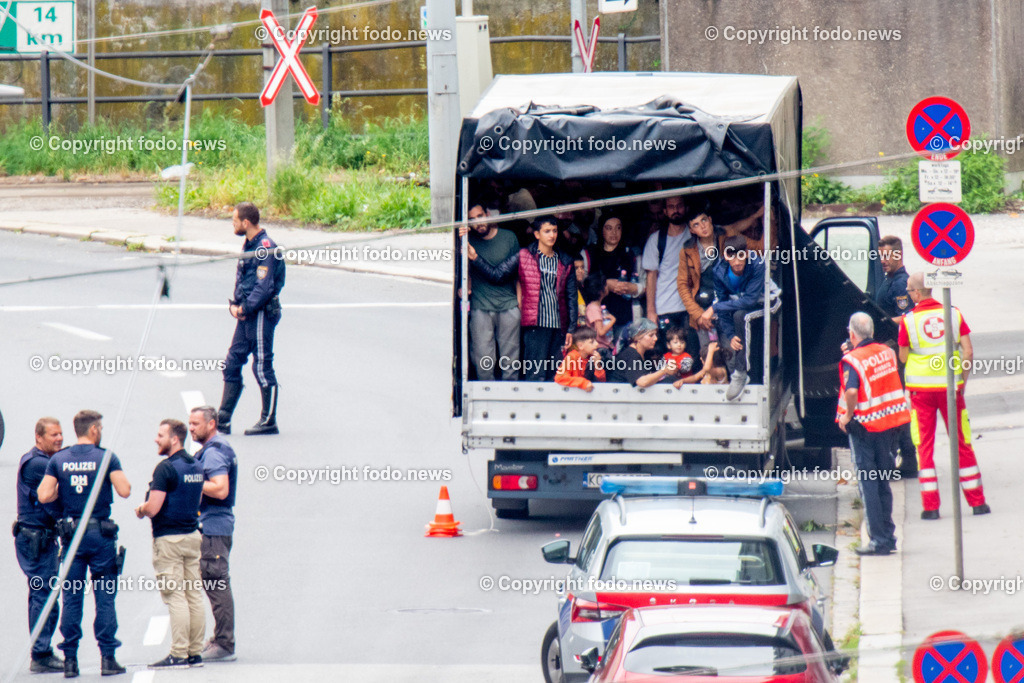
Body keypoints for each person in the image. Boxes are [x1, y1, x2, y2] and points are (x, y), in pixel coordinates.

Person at [36, 410, 131, 678]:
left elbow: (43, 495)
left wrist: (66, 489)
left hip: (72, 537)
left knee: (72, 598)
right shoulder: (106, 457)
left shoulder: (59, 459)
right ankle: (108, 658)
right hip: (100, 536)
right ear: (94, 430)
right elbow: (124, 490)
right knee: (105, 598)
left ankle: (70, 660)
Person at [899, 273, 990, 520]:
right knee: (962, 442)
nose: (908, 294)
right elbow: (968, 352)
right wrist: (962, 382)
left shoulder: (908, 321)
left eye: (909, 290)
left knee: (924, 447)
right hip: (951, 389)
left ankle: (931, 508)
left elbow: (903, 357)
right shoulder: (954, 314)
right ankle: (978, 503)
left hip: (921, 392)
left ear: (917, 293)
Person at [836, 313, 910, 556]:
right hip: (887, 426)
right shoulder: (887, 353)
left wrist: (846, 416)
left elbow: (852, 391)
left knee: (868, 484)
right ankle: (888, 536)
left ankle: (878, 540)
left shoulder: (852, 360)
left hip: (863, 428)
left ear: (851, 333)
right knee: (883, 482)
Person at [135, 419, 206, 669]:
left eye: (161, 435)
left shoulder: (165, 469)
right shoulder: (196, 465)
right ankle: (195, 652)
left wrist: (141, 509)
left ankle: (178, 653)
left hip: (169, 539)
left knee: (176, 596)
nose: (156, 439)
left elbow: (153, 508)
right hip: (192, 536)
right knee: (193, 594)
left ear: (174, 439)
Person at [218, 201, 286, 436]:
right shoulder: (249, 244)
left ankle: (269, 420)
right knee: (232, 362)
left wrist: (244, 308)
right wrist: (235, 304)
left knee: (262, 366)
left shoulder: (265, 247)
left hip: (260, 314)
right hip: (246, 314)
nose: (233, 225)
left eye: (235, 221)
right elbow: (244, 280)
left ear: (246, 222)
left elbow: (264, 287)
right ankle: (223, 418)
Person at [699, 235, 780, 401]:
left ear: (746, 254)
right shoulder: (719, 271)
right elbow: (722, 303)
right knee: (738, 315)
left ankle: (740, 372)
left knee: (743, 316)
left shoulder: (757, 265)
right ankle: (741, 370)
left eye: (740, 256)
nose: (737, 262)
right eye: (732, 257)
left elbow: (749, 301)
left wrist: (713, 308)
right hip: (741, 304)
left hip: (767, 301)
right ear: (726, 256)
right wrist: (730, 335)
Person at [14, 418, 65, 673]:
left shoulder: (45, 461)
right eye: (53, 435)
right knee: (42, 594)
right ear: (39, 437)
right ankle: (41, 653)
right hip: (35, 540)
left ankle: (42, 650)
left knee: (45, 594)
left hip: (41, 538)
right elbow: (58, 495)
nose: (59, 438)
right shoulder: (38, 464)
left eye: (60, 434)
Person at [188, 406, 238, 662]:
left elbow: (220, 489)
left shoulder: (214, 453)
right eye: (189, 423)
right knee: (212, 581)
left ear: (211, 424)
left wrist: (190, 480)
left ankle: (225, 643)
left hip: (215, 526)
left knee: (217, 583)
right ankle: (220, 637)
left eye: (196, 423)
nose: (191, 428)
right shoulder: (212, 450)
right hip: (214, 525)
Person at [459, 202, 521, 381]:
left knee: (511, 359)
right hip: (481, 306)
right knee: (483, 358)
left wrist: (519, 303)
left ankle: (510, 392)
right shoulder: (469, 240)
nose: (478, 223)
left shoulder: (508, 237)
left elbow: (518, 273)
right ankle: (485, 393)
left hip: (508, 304)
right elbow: (462, 269)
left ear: (487, 214)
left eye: (480, 216)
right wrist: (459, 238)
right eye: (472, 220)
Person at [873, 235, 918, 479]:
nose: (883, 260)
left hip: (895, 352)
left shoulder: (901, 284)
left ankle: (902, 457)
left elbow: (908, 317)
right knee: (893, 406)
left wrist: (882, 323)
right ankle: (904, 458)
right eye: (881, 255)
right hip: (888, 352)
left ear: (899, 255)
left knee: (893, 407)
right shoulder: (888, 280)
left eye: (888, 255)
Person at [518, 216, 578, 381]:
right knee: (535, 373)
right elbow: (500, 274)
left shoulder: (565, 260)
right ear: (537, 234)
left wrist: (571, 328)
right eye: (547, 231)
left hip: (558, 325)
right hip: (536, 323)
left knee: (555, 374)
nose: (552, 235)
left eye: (554, 231)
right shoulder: (524, 255)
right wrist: (475, 258)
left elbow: (571, 296)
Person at [641, 195, 690, 348]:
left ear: (686, 208)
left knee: (692, 354)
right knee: (670, 356)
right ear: (665, 211)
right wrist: (651, 311)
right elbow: (651, 276)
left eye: (679, 205)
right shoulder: (656, 239)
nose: (676, 210)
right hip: (665, 307)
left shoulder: (695, 233)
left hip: (690, 308)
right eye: (671, 207)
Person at [590, 214, 643, 347]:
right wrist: (606, 284)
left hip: (625, 313)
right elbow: (584, 282)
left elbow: (645, 284)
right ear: (601, 230)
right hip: (600, 315)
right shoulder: (592, 253)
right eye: (609, 228)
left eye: (618, 228)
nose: (614, 233)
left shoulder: (630, 253)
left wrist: (633, 288)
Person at [677, 204, 720, 349]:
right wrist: (698, 315)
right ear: (691, 230)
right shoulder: (687, 250)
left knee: (731, 354)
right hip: (702, 308)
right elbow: (682, 286)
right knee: (708, 354)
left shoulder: (724, 238)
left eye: (704, 220)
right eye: (696, 224)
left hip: (727, 307)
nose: (702, 226)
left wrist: (765, 218)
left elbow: (760, 247)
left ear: (710, 220)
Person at [608, 319, 678, 387]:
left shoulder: (645, 353)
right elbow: (642, 382)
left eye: (655, 335)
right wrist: (664, 371)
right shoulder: (631, 355)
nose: (655, 338)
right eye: (651, 335)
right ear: (638, 337)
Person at [554, 327, 606, 392]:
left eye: (596, 341)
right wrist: (584, 383)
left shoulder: (592, 358)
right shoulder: (572, 357)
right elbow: (560, 377)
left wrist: (597, 365)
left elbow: (602, 381)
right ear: (580, 346)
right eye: (592, 342)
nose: (597, 344)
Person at [582, 272, 615, 354]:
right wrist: (613, 320)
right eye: (605, 285)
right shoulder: (594, 308)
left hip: (603, 347)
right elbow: (601, 332)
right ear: (600, 291)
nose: (607, 287)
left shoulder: (596, 307)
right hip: (600, 348)